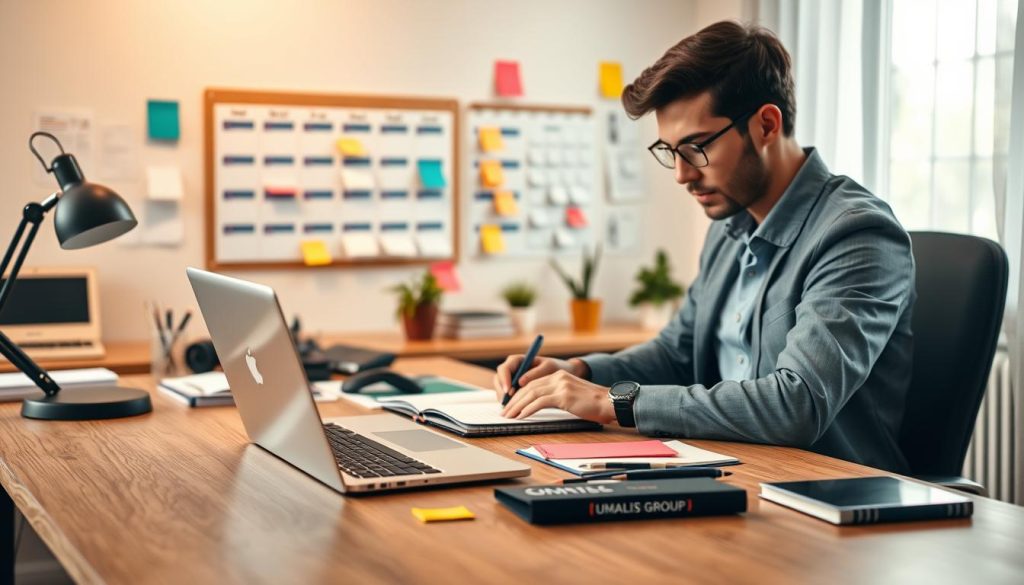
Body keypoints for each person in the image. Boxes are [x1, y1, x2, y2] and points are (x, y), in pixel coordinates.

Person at [494, 20, 915, 473]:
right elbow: (677, 352)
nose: (681, 174)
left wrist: (615, 403)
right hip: (729, 471)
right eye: (669, 151)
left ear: (766, 125)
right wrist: (580, 372)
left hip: (818, 494)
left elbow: (797, 403)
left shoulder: (856, 234)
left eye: (696, 148)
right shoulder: (729, 226)